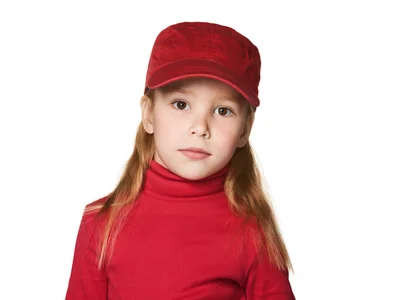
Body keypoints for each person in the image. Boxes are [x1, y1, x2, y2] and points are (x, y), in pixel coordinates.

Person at [65, 21, 295, 300]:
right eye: (181, 104)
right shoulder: (101, 222)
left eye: (223, 110)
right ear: (149, 114)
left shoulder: (251, 231)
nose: (200, 127)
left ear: (245, 129)